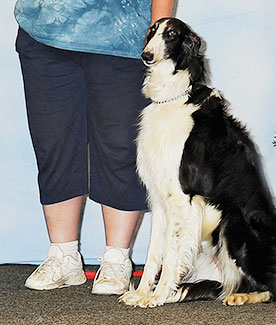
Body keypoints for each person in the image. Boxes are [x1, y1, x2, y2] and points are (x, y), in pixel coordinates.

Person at [14, 0, 174, 295]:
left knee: (121, 146)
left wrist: (159, 31)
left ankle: (117, 258)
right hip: (43, 28)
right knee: (53, 142)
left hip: (121, 33)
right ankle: (63, 256)